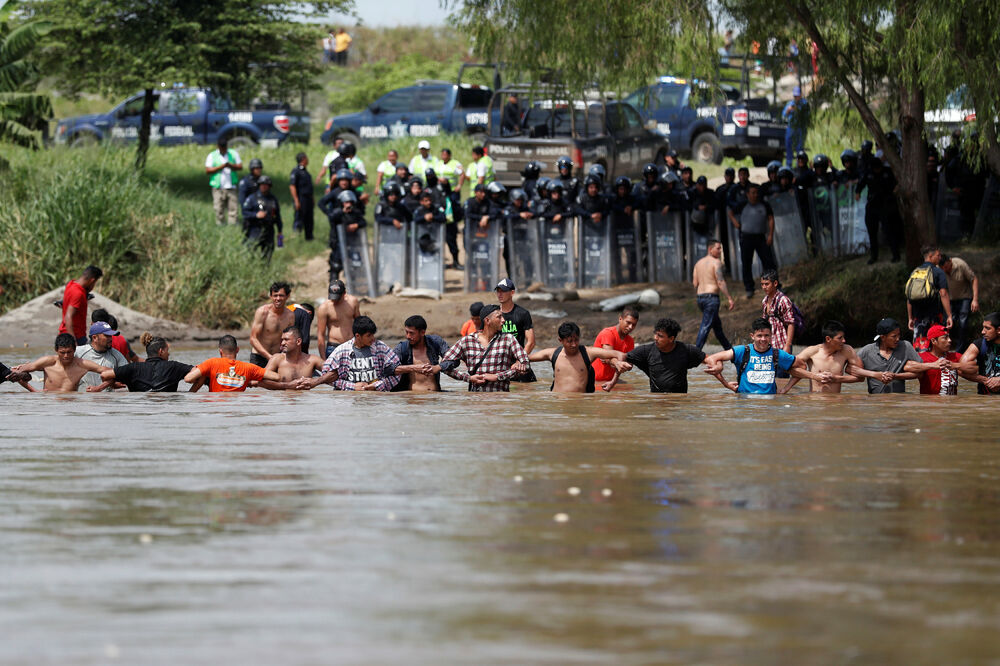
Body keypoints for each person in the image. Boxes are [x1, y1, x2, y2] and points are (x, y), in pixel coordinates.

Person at [439, 304, 530, 392]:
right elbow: (443, 366)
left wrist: (498, 377)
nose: (503, 320)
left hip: (502, 401)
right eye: (499, 317)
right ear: (487, 320)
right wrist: (468, 378)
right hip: (475, 402)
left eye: (503, 316)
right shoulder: (467, 341)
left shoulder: (508, 339)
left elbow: (526, 364)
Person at [606, 318, 712, 394]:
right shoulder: (646, 351)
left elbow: (708, 359)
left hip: (680, 402)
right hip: (657, 400)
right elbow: (620, 358)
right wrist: (613, 381)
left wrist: (725, 383)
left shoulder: (686, 350)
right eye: (655, 334)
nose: (655, 338)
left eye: (660, 336)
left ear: (671, 338)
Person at [704, 318, 807, 394]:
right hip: (745, 405)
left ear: (771, 336)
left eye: (766, 335)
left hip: (769, 405)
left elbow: (802, 366)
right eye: (759, 336)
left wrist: (786, 389)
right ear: (752, 336)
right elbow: (712, 358)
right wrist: (725, 383)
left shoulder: (777, 354)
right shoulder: (742, 351)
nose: (763, 339)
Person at [527, 322, 630, 393]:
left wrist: (614, 378)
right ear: (560, 340)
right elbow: (526, 358)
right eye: (569, 341)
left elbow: (620, 354)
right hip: (557, 402)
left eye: (576, 340)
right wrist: (518, 364)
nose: (574, 344)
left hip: (580, 402)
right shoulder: (552, 353)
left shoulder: (589, 352)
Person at [852, 317, 939, 394]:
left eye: (899, 335)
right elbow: (850, 369)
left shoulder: (906, 346)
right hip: (876, 402)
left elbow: (920, 373)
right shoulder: (867, 351)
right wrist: (875, 375)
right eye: (894, 336)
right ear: (883, 337)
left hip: (899, 401)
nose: (898, 339)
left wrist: (896, 376)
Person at [778, 320, 865, 394]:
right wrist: (813, 376)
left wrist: (837, 379)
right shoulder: (812, 351)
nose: (844, 340)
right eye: (840, 338)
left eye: (844, 337)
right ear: (828, 339)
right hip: (816, 403)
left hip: (837, 403)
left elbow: (861, 378)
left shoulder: (847, 351)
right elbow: (788, 368)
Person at [322, 316, 399, 391]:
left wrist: (378, 385)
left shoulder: (381, 348)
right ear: (357, 336)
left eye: (373, 334)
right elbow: (325, 376)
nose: (372, 338)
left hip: (375, 398)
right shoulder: (341, 351)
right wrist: (352, 387)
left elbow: (397, 372)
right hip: (348, 399)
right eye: (369, 335)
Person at [98, 332, 194, 392]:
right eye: (167, 351)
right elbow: (197, 371)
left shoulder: (133, 368)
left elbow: (104, 375)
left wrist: (114, 384)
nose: (168, 354)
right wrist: (191, 389)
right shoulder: (174, 367)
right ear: (161, 351)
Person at [11, 333, 107, 393]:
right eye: (62, 352)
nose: (66, 356)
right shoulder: (47, 362)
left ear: (74, 350)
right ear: (56, 350)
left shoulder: (82, 364)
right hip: (49, 405)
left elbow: (111, 373)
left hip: (71, 406)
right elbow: (14, 372)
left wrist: (99, 388)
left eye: (69, 352)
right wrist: (33, 391)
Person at [184, 335, 277, 392]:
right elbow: (276, 377)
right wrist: (254, 382)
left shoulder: (211, 363)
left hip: (215, 408)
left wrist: (204, 376)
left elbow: (188, 379)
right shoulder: (249, 368)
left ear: (220, 351)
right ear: (237, 350)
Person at [391, 315, 459, 392]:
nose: (408, 336)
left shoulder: (435, 342)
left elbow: (455, 359)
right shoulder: (402, 348)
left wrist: (438, 367)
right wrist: (413, 368)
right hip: (412, 399)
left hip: (436, 397)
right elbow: (389, 368)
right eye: (406, 332)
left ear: (422, 332)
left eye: (411, 333)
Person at [733, 183, 777, 299]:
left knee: (768, 262)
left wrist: (770, 235)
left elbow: (771, 219)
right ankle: (749, 288)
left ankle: (773, 286)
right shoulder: (742, 205)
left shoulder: (764, 205)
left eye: (756, 192)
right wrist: (735, 222)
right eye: (752, 193)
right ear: (747, 194)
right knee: (746, 263)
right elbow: (729, 211)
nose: (755, 195)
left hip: (761, 237)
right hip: (746, 238)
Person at [855, 155, 900, 264]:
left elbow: (897, 183)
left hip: (885, 205)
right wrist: (858, 192)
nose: (876, 170)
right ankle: (874, 256)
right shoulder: (868, 173)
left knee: (889, 231)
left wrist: (895, 190)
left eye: (878, 168)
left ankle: (896, 255)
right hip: (872, 205)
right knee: (872, 232)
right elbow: (861, 183)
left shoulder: (887, 172)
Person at [905, 245, 953, 346]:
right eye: (938, 255)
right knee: (936, 346)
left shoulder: (915, 272)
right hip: (934, 316)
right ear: (931, 256)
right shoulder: (938, 272)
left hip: (918, 317)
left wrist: (910, 318)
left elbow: (909, 297)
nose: (940, 257)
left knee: (920, 346)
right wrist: (949, 315)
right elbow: (943, 293)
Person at [692, 239, 734, 350]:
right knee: (705, 325)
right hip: (711, 299)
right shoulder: (716, 262)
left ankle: (729, 350)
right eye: (718, 248)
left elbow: (695, 283)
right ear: (710, 249)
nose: (720, 251)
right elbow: (720, 281)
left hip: (700, 299)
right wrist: (729, 298)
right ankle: (695, 352)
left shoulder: (698, 263)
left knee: (717, 327)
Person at [255, 326, 327, 390]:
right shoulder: (277, 359)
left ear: (298, 341)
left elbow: (334, 374)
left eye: (286, 340)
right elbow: (259, 381)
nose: (282, 343)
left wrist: (316, 381)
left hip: (305, 402)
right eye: (282, 340)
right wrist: (287, 385)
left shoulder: (313, 360)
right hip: (283, 403)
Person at [495, 278, 535, 381]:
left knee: (525, 390)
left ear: (512, 292)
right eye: (498, 291)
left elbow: (531, 342)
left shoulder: (523, 313)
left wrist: (520, 360)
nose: (500, 294)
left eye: (503, 291)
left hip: (519, 363)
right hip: (499, 363)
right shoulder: (493, 314)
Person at [249, 281, 296, 367]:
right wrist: (269, 356)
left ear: (287, 296)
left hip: (277, 357)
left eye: (281, 295)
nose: (278, 298)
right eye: (275, 295)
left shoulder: (290, 316)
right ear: (271, 296)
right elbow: (253, 338)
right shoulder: (263, 312)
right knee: (255, 381)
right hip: (258, 356)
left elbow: (289, 339)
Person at [323, 190, 367, 282]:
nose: (349, 204)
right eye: (346, 202)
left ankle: (352, 283)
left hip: (352, 242)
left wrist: (356, 225)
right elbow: (331, 217)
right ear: (342, 203)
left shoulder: (355, 213)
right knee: (336, 264)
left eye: (350, 202)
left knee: (355, 263)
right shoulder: (337, 212)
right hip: (338, 242)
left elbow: (363, 222)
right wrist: (342, 211)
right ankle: (334, 285)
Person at [940, 253, 979, 351]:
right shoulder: (939, 269)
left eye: (946, 267)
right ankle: (946, 347)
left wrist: (975, 299)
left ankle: (960, 349)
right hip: (950, 299)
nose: (945, 270)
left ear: (950, 261)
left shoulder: (960, 265)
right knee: (948, 322)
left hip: (964, 297)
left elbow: (973, 279)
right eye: (942, 268)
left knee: (963, 322)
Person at [74, 321, 128, 391]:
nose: (111, 339)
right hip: (84, 399)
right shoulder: (78, 352)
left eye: (111, 336)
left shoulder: (117, 356)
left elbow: (128, 375)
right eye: (107, 336)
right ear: (94, 338)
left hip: (107, 400)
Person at [591, 306, 639, 384]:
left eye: (633, 325)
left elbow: (630, 365)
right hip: (593, 381)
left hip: (611, 381)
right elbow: (608, 357)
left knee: (631, 390)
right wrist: (617, 362)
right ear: (620, 319)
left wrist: (620, 363)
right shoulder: (608, 333)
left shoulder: (630, 341)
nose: (630, 327)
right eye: (628, 322)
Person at [916, 325, 967, 395]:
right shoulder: (922, 357)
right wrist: (932, 365)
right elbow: (907, 367)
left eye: (949, 337)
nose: (950, 340)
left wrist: (956, 365)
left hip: (952, 404)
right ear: (933, 341)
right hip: (930, 403)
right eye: (945, 338)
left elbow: (974, 367)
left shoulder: (955, 356)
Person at [241, 175, 282, 261]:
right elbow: (244, 213)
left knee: (268, 254)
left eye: (266, 185)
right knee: (251, 252)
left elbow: (278, 216)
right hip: (255, 229)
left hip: (269, 230)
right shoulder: (252, 198)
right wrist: (256, 215)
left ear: (269, 186)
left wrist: (280, 232)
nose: (263, 186)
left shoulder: (273, 199)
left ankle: (265, 271)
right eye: (262, 184)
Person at [316, 279, 360, 358]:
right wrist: (323, 359)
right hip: (334, 347)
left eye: (338, 298)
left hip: (352, 345)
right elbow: (320, 335)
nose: (335, 300)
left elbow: (360, 324)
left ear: (344, 293)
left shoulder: (353, 302)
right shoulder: (324, 308)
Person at [59, 265, 103, 345]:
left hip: (64, 334)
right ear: (92, 280)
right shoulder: (78, 293)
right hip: (75, 335)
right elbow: (68, 316)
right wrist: (73, 342)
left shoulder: (70, 284)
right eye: (94, 283)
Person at [959, 311, 1000, 395]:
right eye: (983, 327)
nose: (983, 332)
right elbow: (960, 369)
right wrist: (984, 380)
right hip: (985, 399)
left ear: (999, 330)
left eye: (987, 328)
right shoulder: (979, 344)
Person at [205, 138, 242, 225]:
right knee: (218, 208)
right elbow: (208, 170)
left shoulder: (233, 154)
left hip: (231, 185)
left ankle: (233, 225)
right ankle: (220, 224)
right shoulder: (212, 155)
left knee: (233, 208)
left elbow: (240, 167)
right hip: (218, 186)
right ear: (218, 147)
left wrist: (230, 166)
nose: (223, 149)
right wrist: (221, 167)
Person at [438, 148, 465, 269]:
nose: (443, 156)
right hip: (440, 196)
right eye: (442, 154)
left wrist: (459, 185)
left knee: (451, 237)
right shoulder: (438, 164)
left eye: (445, 154)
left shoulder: (455, 164)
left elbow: (462, 174)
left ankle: (455, 261)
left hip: (452, 193)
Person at [760, 270, 797, 355]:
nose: (764, 287)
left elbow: (791, 324)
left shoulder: (783, 300)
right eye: (762, 284)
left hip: (782, 343)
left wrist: (788, 345)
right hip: (770, 344)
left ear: (775, 283)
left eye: (766, 284)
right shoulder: (764, 301)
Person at [289, 152, 315, 241]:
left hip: (308, 199)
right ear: (303, 159)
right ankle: (297, 236)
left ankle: (309, 237)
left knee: (309, 218)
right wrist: (296, 200)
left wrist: (312, 198)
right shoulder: (296, 171)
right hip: (301, 198)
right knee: (299, 217)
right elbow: (292, 186)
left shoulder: (306, 172)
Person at [782, 85, 809, 167]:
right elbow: (783, 116)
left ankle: (799, 165)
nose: (796, 97)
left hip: (800, 128)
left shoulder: (804, 104)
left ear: (801, 95)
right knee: (788, 146)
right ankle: (788, 165)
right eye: (795, 96)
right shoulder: (790, 104)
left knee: (799, 148)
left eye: (797, 95)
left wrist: (798, 109)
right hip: (791, 128)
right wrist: (788, 110)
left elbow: (807, 116)